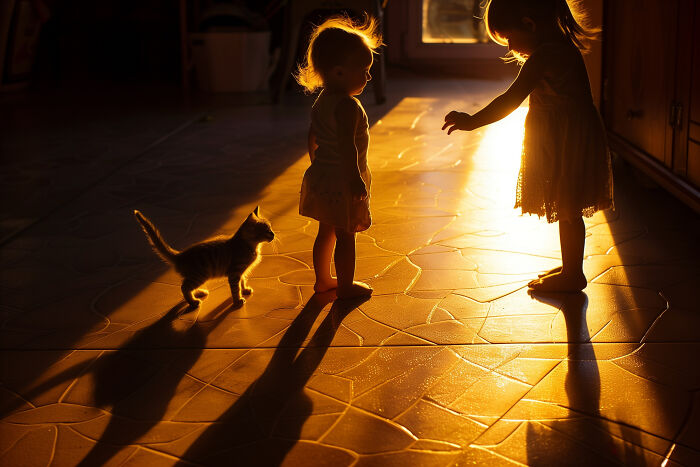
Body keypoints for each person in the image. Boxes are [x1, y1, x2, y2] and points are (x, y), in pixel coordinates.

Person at [442, 0, 613, 292]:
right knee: (567, 206)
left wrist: (472, 121)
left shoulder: (546, 55)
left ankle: (573, 275)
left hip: (566, 141)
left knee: (568, 207)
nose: (510, 48)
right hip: (570, 137)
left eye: (509, 38)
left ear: (529, 24)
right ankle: (571, 266)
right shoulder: (560, 48)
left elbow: (510, 99)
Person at [296, 15, 382, 298]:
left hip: (323, 176)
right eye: (364, 70)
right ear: (338, 72)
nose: (368, 77)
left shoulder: (322, 101)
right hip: (344, 182)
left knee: (326, 231)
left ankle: (323, 280)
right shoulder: (348, 106)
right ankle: (345, 287)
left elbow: (313, 136)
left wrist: (316, 164)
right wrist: (355, 178)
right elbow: (347, 146)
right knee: (346, 235)